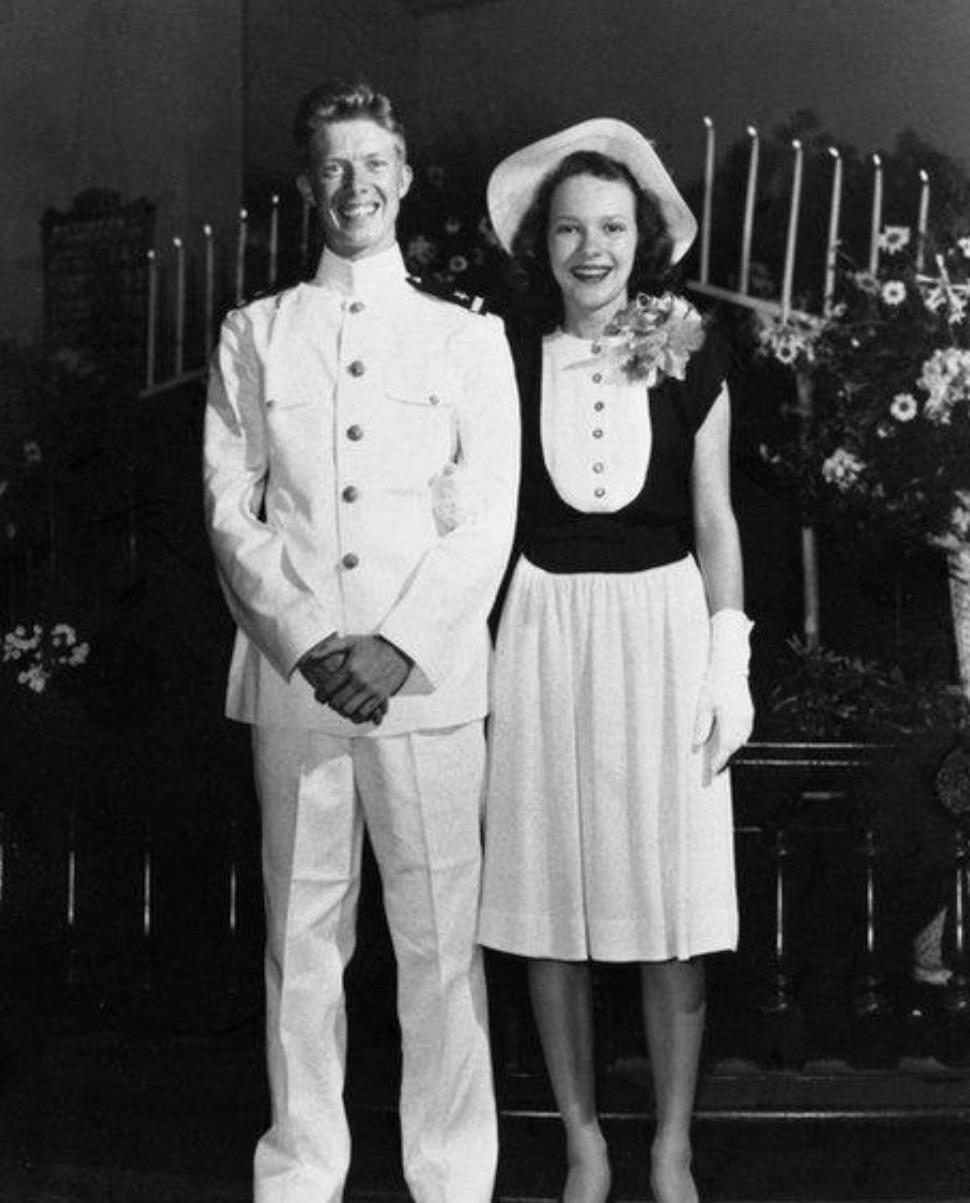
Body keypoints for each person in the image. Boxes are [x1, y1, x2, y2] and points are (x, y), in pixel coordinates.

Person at [203, 78, 520, 1203]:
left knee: (439, 948)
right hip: (297, 688)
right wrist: (303, 638)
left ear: (405, 178)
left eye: (374, 164)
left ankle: (453, 1179)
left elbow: (488, 514)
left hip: (423, 689)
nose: (355, 186)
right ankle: (299, 1174)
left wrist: (400, 646)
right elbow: (230, 509)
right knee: (301, 944)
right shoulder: (257, 332)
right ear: (307, 183)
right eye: (334, 166)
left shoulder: (464, 338)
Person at [478, 119, 754, 1203]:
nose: (590, 249)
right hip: (543, 630)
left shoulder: (689, 348)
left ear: (642, 238)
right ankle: (584, 1141)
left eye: (611, 228)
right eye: (568, 229)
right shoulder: (504, 357)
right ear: (540, 243)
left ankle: (671, 1145)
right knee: (547, 900)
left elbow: (716, 515)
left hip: (664, 629)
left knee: (669, 906)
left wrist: (728, 655)